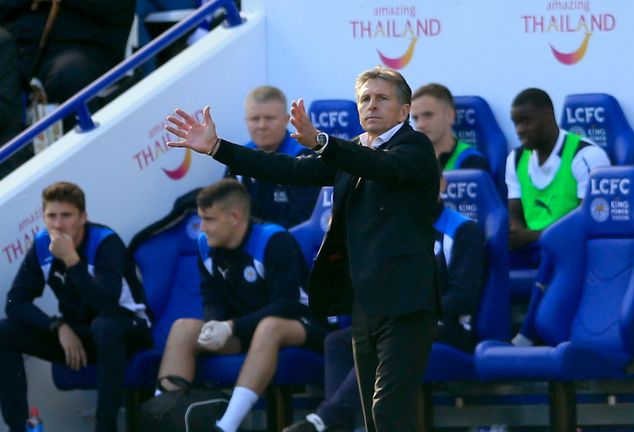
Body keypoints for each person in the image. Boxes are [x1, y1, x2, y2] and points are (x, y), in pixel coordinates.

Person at [164, 65, 440, 432]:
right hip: (366, 304)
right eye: (365, 98)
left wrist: (323, 142)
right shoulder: (354, 151)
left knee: (391, 409)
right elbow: (289, 170)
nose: (371, 105)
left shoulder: (414, 146)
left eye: (382, 98)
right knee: (375, 416)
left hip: (407, 303)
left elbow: (381, 166)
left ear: (405, 110)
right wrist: (218, 148)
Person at [283, 175, 485, 432]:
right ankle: (340, 424)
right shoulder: (394, 229)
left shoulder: (463, 230)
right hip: (399, 319)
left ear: (441, 185)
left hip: (449, 327)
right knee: (339, 342)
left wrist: (411, 308)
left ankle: (325, 420)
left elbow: (464, 297)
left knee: (389, 337)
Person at [152, 179, 327, 432]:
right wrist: (215, 323)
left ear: (235, 217)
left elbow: (287, 305)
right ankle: (164, 417)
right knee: (183, 328)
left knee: (270, 327)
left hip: (302, 324)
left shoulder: (273, 240)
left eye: (210, 220)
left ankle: (226, 426)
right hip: (245, 329)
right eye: (201, 218)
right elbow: (212, 297)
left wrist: (231, 327)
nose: (203, 228)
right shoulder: (205, 245)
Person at [0, 181, 152, 432]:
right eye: (51, 216)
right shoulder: (41, 245)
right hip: (82, 335)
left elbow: (106, 303)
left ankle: (106, 427)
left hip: (129, 330)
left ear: (83, 217)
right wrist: (57, 326)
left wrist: (72, 260)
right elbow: (15, 303)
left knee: (105, 326)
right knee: (5, 332)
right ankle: (19, 428)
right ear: (43, 217)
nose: (58, 225)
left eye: (66, 216)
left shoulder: (105, 242)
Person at [505, 88, 610, 347]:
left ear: (548, 116)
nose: (519, 130)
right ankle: (477, 333)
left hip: (575, 248)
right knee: (485, 253)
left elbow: (591, 221)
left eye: (526, 121)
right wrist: (515, 232)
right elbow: (514, 211)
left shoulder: (585, 155)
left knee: (554, 251)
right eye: (515, 123)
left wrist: (537, 236)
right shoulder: (516, 158)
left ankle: (527, 335)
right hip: (531, 245)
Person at [0, 0, 135, 173]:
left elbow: (114, 9)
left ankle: (77, 175)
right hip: (16, 45)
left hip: (80, 44)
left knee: (68, 76)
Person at [229, 85, 320, 228]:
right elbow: (225, 209)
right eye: (254, 119)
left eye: (269, 118)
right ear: (246, 121)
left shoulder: (303, 156)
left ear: (286, 120)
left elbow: (303, 218)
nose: (261, 125)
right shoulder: (240, 156)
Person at [410, 83, 490, 172]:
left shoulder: (472, 161)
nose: (420, 124)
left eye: (428, 115)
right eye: (415, 118)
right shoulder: (409, 161)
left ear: (450, 115)